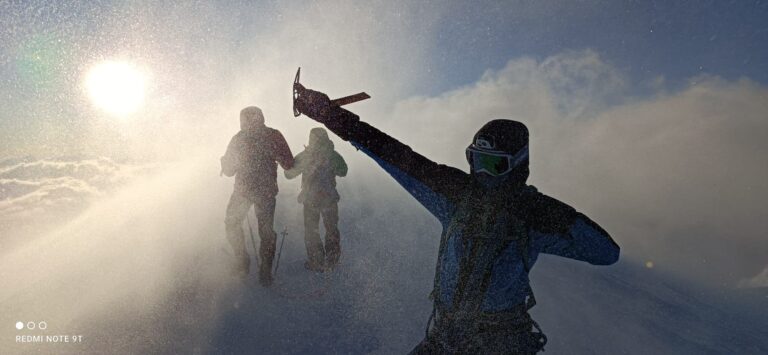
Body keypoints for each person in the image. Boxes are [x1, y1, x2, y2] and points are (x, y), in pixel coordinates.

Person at [293, 85, 620, 353]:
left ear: (517, 167)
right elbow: (392, 152)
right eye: (474, 159)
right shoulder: (455, 194)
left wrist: (553, 214)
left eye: (493, 165)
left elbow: (606, 252)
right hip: (446, 335)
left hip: (502, 343)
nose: (479, 173)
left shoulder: (531, 216)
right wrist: (332, 116)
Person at [221, 106, 294, 286]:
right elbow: (289, 163)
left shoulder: (239, 138)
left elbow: (229, 171)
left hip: (245, 191)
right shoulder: (272, 135)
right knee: (265, 231)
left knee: (232, 223)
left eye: (245, 119)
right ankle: (264, 270)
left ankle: (243, 262)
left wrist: (224, 162)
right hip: (263, 191)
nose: (245, 122)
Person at [285, 127, 348, 271]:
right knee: (331, 229)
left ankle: (316, 261)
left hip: (310, 199)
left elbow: (288, 175)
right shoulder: (332, 155)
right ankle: (332, 260)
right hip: (329, 198)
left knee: (311, 230)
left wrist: (288, 164)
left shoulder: (305, 156)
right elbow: (344, 171)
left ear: (310, 139)